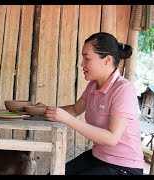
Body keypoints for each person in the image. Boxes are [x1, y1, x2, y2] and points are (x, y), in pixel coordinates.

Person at [44, 32, 144, 175]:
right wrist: (45, 110)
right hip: (98, 157)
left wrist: (65, 118)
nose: (82, 64)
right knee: (54, 173)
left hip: (124, 167)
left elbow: (111, 138)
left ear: (107, 60)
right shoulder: (93, 85)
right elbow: (75, 109)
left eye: (87, 58)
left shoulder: (123, 89)